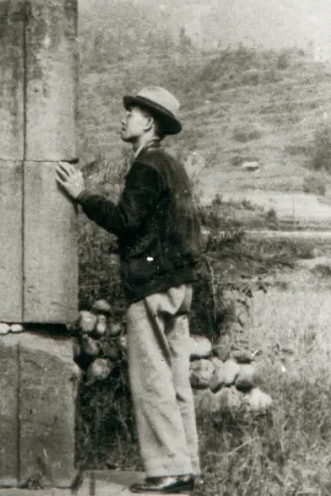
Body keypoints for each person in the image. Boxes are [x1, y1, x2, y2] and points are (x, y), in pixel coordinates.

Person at [56, 86, 203, 495]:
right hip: (179, 284)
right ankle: (185, 467)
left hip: (152, 286)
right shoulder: (171, 165)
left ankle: (167, 473)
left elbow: (125, 220)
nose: (124, 119)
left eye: (132, 113)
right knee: (175, 380)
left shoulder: (147, 166)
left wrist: (82, 195)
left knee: (151, 378)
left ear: (149, 123)